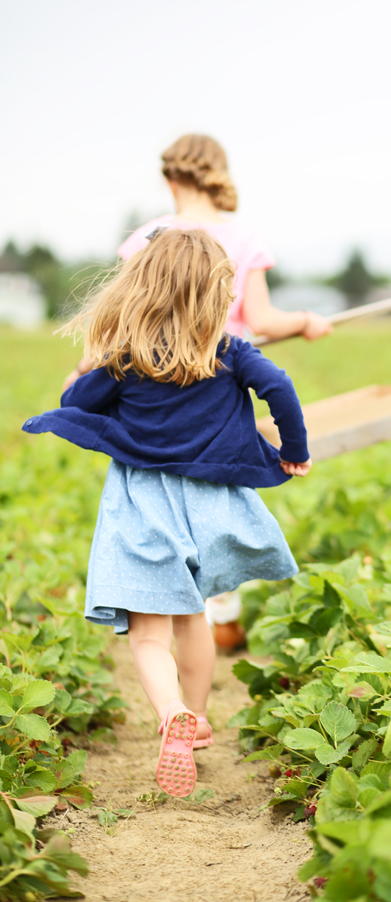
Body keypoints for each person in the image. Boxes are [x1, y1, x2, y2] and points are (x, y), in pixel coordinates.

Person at [24, 229, 311, 798]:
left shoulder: (124, 359)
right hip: (208, 505)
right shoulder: (230, 352)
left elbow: (76, 405)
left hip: (144, 506)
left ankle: (171, 712)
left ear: (142, 289)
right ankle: (198, 719)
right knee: (194, 618)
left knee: (148, 636)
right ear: (215, 297)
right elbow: (279, 385)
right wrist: (293, 451)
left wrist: (80, 378)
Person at [63, 133, 333, 390]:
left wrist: (81, 371)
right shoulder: (246, 239)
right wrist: (306, 321)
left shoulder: (148, 236)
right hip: (218, 386)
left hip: (150, 384)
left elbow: (119, 322)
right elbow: (261, 320)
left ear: (170, 182)